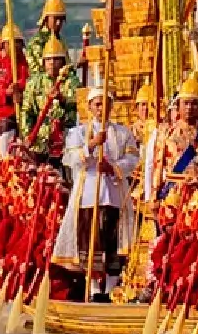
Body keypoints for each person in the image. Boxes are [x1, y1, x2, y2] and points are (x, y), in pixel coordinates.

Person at [53, 86, 140, 301]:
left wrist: (113, 168)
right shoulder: (79, 133)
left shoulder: (122, 133)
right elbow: (71, 159)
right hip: (88, 194)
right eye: (97, 104)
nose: (102, 108)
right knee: (89, 240)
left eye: (105, 104)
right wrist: (91, 144)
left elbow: (133, 160)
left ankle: (110, 289)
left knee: (112, 240)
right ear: (90, 107)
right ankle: (92, 288)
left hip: (113, 193)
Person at [18, 37, 78, 162]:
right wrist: (27, 135)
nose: (52, 62)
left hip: (65, 139)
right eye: (49, 59)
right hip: (39, 139)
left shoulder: (71, 82)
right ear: (43, 62)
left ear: (62, 62)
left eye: (56, 59)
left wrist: (61, 100)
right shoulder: (34, 83)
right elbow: (26, 111)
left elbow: (75, 111)